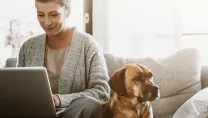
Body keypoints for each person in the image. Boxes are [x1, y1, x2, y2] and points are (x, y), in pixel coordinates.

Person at [17, 0, 110, 118]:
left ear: (68, 12)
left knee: (89, 104)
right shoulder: (28, 47)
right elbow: (19, 91)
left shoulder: (88, 45)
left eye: (54, 14)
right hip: (35, 113)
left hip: (74, 113)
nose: (47, 22)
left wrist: (59, 100)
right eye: (41, 15)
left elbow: (101, 92)